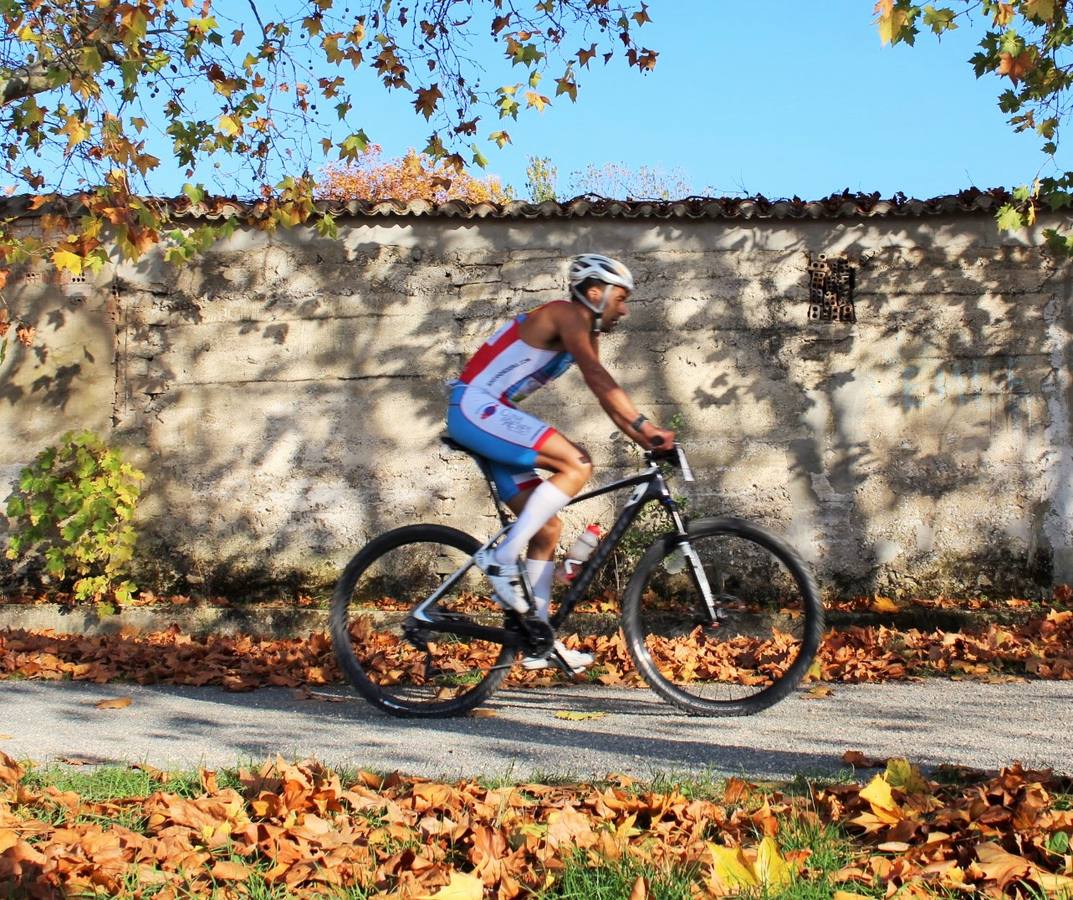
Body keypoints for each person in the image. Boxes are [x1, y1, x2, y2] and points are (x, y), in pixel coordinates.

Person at [446, 253, 675, 671]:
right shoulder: (566, 314)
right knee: (577, 463)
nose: (624, 309)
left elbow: (606, 396)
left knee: (547, 527)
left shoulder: (585, 328)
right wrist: (648, 428)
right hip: (476, 409)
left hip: (487, 415)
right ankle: (501, 560)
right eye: (620, 298)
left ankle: (537, 641)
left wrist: (645, 438)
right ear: (594, 292)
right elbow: (598, 379)